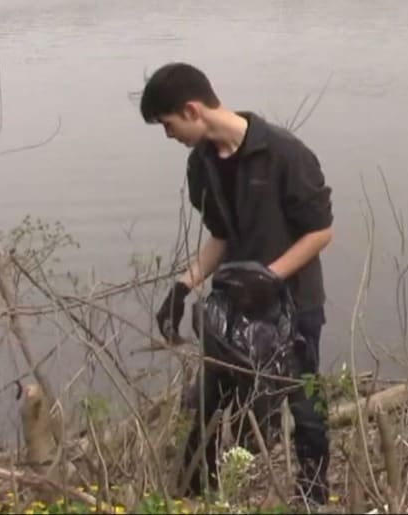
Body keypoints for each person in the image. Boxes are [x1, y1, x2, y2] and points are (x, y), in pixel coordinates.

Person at [139, 62, 334, 504]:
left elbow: (320, 232)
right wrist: (183, 287)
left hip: (294, 305)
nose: (169, 136)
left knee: (304, 405)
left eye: (168, 126)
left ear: (192, 110)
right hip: (232, 312)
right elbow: (222, 238)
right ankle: (195, 496)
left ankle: (312, 497)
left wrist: (270, 277)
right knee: (209, 404)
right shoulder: (201, 166)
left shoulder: (285, 154)